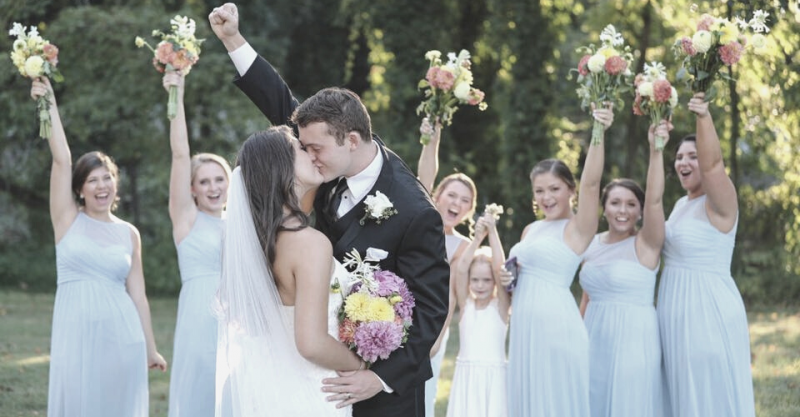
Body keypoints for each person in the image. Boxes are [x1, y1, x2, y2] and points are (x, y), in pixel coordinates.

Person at [209, 5, 450, 416]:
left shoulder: (414, 211)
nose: (307, 154)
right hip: (315, 370)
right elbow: (281, 106)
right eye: (302, 147)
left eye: (313, 148)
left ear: (351, 140)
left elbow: (431, 310)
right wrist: (233, 39)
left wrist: (377, 376)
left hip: (382, 391)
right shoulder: (324, 159)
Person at [32, 77, 167, 417]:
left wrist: (150, 348)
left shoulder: (128, 233)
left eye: (107, 177)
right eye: (93, 179)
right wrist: (46, 101)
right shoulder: (66, 220)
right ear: (80, 189)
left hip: (123, 336)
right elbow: (62, 159)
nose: (102, 185)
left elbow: (138, 295)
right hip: (76, 333)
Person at [215, 127, 365, 416]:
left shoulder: (262, 243)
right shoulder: (309, 244)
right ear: (281, 167)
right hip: (313, 392)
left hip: (272, 388)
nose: (311, 154)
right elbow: (311, 342)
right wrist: (363, 366)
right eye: (299, 148)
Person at [506, 105, 613, 417]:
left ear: (571, 190)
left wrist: (598, 132)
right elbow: (516, 278)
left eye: (554, 189)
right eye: (539, 191)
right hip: (525, 328)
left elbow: (593, 183)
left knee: (554, 402)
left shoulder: (578, 229)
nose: (546, 197)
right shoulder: (531, 229)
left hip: (557, 328)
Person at [658, 93, 755, 416]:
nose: (683, 162)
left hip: (707, 312)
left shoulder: (721, 201)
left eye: (693, 155)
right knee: (683, 394)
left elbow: (714, 166)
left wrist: (703, 116)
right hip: (674, 314)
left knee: (709, 393)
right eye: (679, 156)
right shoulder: (680, 206)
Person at [578, 121, 671, 417]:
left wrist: (657, 149)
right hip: (593, 336)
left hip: (634, 338)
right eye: (615, 202)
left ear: (641, 211)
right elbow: (586, 297)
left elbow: (655, 198)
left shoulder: (647, 244)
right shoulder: (589, 243)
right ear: (604, 208)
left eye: (631, 204)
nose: (622, 210)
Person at [162, 72, 232, 417]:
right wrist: (178, 92)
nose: (213, 187)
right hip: (198, 318)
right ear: (192, 189)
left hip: (237, 320)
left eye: (219, 179)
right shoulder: (186, 219)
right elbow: (179, 155)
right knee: (200, 392)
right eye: (204, 181)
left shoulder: (239, 225)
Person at [418, 117, 477, 416]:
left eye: (464, 200)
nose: (456, 203)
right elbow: (423, 180)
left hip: (431, 326)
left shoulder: (462, 247)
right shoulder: (419, 225)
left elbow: (450, 297)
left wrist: (437, 341)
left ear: (469, 211)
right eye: (451, 195)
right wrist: (433, 137)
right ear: (437, 197)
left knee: (422, 395)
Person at [446, 212, 510, 417]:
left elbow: (500, 267)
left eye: (486, 280)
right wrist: (477, 239)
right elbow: (462, 269)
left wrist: (493, 232)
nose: (480, 285)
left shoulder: (500, 307)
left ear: (494, 282)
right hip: (467, 377)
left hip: (494, 379)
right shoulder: (466, 305)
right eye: (475, 280)